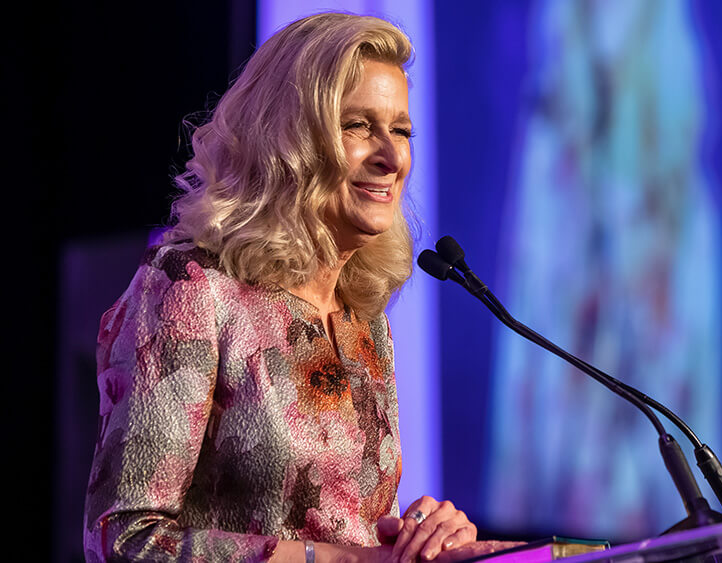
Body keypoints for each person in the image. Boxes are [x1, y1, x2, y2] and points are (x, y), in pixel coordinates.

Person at [83, 12, 515, 563]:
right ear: (286, 135)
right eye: (359, 125)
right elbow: (124, 541)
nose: (393, 156)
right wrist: (353, 560)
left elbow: (342, 527)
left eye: (402, 130)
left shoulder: (364, 319)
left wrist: (420, 538)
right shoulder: (192, 287)